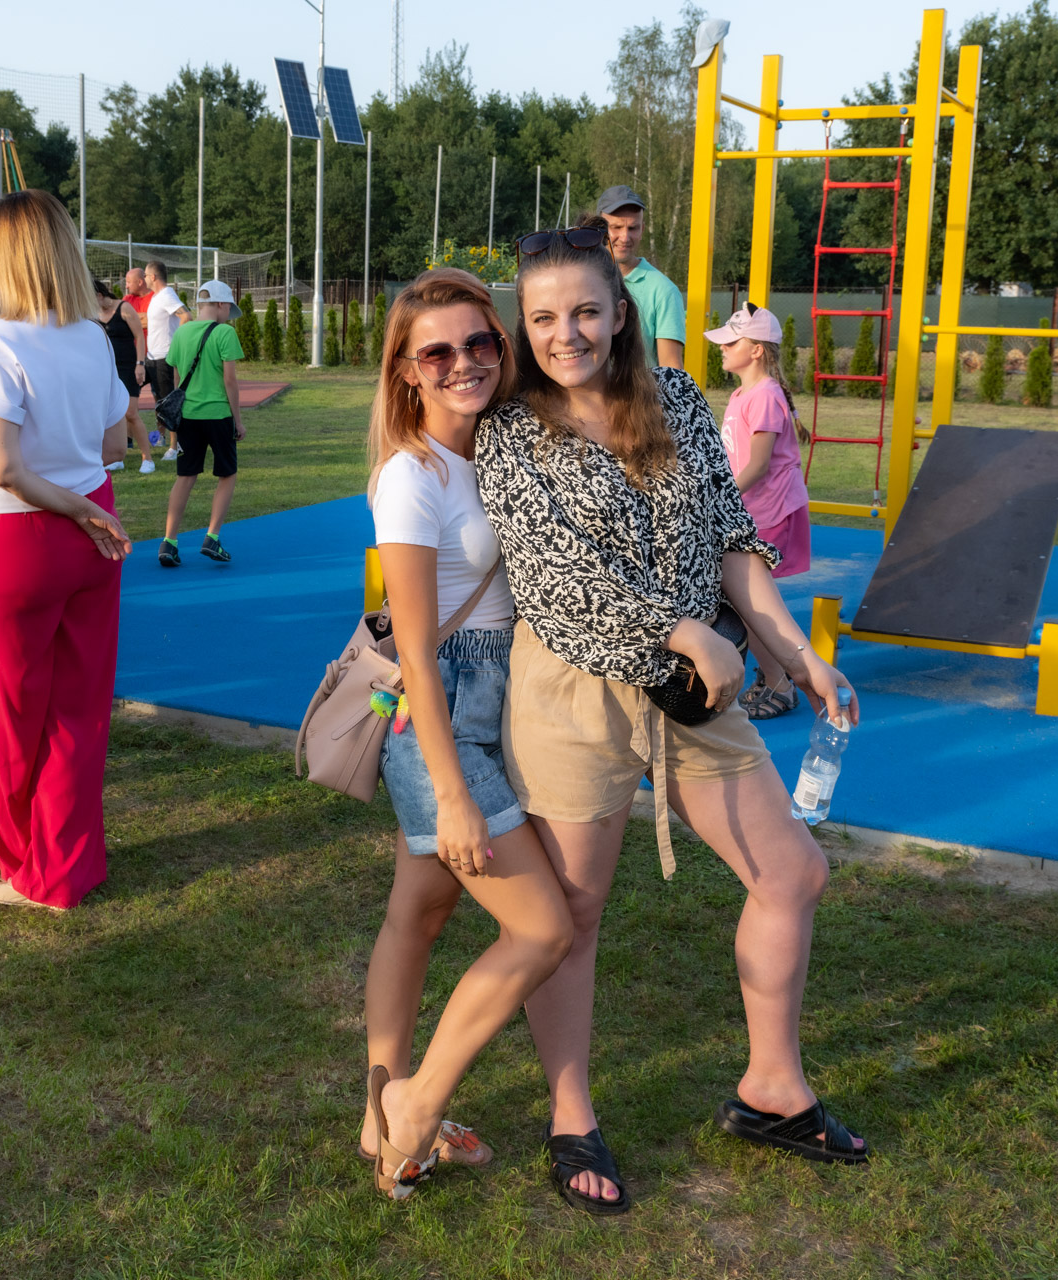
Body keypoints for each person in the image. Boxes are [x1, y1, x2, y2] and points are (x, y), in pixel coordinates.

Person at [475, 220, 867, 1210]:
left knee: (792, 872)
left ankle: (771, 1088)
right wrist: (684, 629)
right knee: (573, 914)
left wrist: (795, 652)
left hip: (701, 686)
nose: (566, 333)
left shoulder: (678, 398)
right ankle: (570, 1115)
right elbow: (555, 575)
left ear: (620, 312)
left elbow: (733, 538)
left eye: (585, 311)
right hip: (575, 689)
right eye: (544, 318)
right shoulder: (511, 428)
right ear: (523, 326)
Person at [356, 269, 574, 1201]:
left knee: (419, 913)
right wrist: (451, 792)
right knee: (543, 928)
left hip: (498, 701)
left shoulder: (503, 448)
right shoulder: (412, 477)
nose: (463, 363)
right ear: (406, 370)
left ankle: (376, 1115)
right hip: (440, 717)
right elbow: (414, 649)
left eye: (480, 342)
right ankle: (414, 1106)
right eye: (436, 352)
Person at [0, 189, 133, 911]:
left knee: (15, 713)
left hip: (19, 536)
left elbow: (4, 467)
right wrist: (87, 504)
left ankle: (28, 869)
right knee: (80, 706)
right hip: (91, 529)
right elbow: (113, 442)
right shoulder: (92, 335)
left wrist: (74, 504)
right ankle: (68, 865)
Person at [708, 303, 813, 720]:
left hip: (768, 511)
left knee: (750, 600)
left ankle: (780, 683)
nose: (722, 348)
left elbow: (758, 465)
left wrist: (720, 498)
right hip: (748, 510)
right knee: (742, 598)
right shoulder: (742, 394)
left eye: (731, 342)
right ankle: (773, 675)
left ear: (756, 350)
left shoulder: (766, 395)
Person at [156, 280, 245, 567]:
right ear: (220, 304)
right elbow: (230, 381)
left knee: (185, 477)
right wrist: (238, 420)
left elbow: (178, 378)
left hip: (188, 417)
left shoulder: (182, 332)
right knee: (227, 474)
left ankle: (169, 542)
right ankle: (212, 537)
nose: (228, 315)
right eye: (228, 309)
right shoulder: (225, 333)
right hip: (218, 415)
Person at [596, 187, 685, 371]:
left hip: (637, 390)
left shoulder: (663, 290)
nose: (625, 237)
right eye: (616, 227)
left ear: (642, 230)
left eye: (632, 228)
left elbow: (671, 369)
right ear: (598, 229)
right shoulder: (579, 281)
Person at [93, 277, 156, 473]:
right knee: (109, 414)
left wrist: (140, 364)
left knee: (130, 413)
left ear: (100, 295)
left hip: (128, 367)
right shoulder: (94, 313)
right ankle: (117, 456)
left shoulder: (124, 308)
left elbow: (139, 336)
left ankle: (147, 458)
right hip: (106, 370)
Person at [141, 259, 189, 461]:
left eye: (145, 275)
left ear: (153, 277)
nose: (144, 279)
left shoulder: (167, 294)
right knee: (157, 399)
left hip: (164, 358)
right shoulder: (156, 297)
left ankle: (175, 446)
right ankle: (161, 437)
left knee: (169, 402)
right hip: (151, 357)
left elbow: (186, 316)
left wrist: (176, 346)